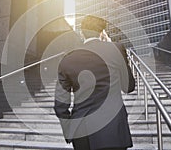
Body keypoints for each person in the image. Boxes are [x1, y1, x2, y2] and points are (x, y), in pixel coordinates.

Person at [54, 15, 135, 150]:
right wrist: (110, 43)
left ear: (81, 32)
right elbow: (128, 87)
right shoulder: (116, 49)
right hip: (113, 128)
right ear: (102, 32)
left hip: (82, 130)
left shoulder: (67, 59)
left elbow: (60, 106)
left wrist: (70, 130)